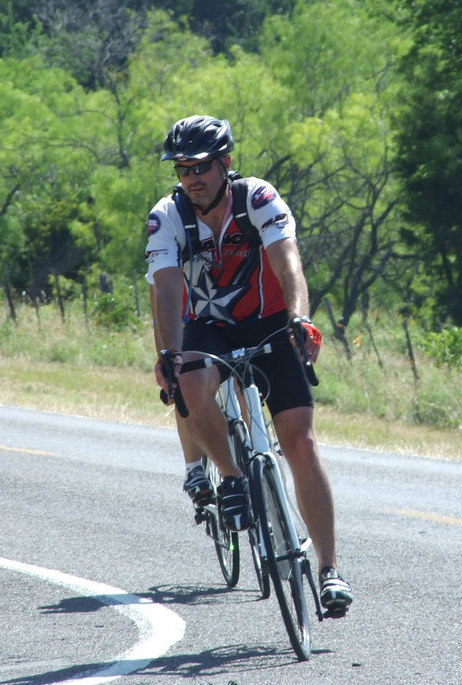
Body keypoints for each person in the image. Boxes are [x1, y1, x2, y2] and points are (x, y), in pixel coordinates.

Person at [145, 115, 352, 615]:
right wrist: (168, 352)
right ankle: (233, 477)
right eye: (182, 169)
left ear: (226, 164)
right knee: (190, 385)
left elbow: (287, 261)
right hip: (208, 327)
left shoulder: (257, 196)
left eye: (201, 167)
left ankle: (330, 570)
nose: (192, 177)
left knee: (301, 442)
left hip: (269, 322)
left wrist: (300, 318)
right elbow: (166, 288)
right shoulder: (167, 215)